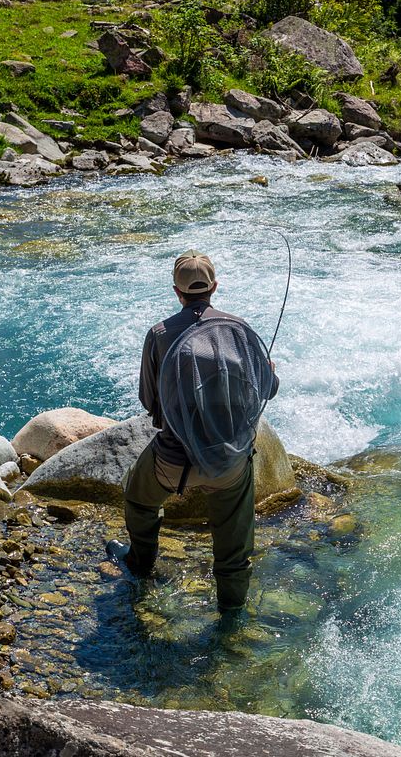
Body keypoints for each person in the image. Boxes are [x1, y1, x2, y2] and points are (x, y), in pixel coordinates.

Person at [106, 249, 278, 612]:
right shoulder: (241, 330)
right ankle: (231, 619)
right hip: (229, 460)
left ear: (176, 292)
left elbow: (149, 401)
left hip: (174, 460)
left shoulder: (159, 334)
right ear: (214, 287)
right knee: (234, 548)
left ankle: (139, 562)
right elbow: (268, 390)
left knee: (138, 498)